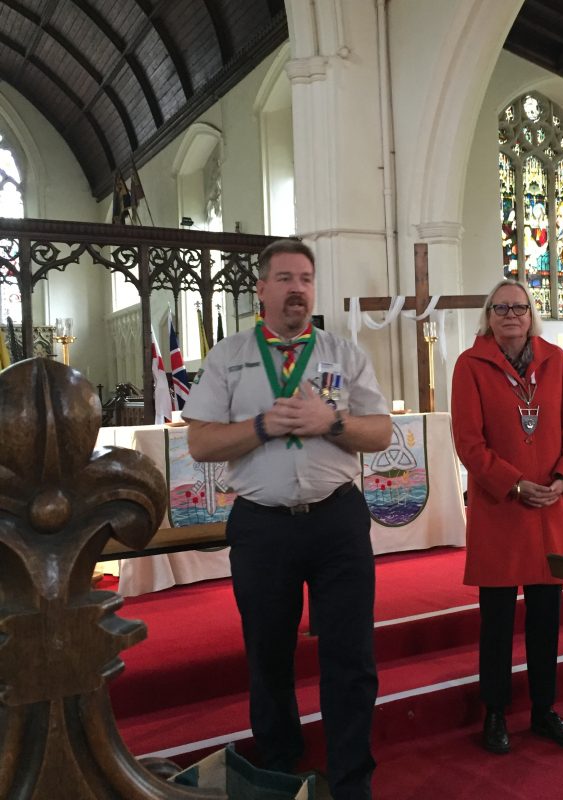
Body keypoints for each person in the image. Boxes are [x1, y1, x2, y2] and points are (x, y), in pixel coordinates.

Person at [183, 239, 391, 800]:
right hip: (263, 526)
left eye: (305, 279)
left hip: (336, 520)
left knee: (351, 656)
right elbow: (200, 442)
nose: (297, 289)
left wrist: (331, 422)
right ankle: (279, 771)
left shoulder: (344, 353)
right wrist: (261, 427)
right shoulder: (229, 355)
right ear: (261, 288)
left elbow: (381, 432)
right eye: (284, 278)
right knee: (269, 657)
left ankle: (351, 781)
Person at [451, 278, 563, 756]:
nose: (511, 315)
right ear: (488, 316)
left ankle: (544, 710)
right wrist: (513, 483)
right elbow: (469, 443)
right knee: (497, 620)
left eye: (520, 307)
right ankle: (495, 711)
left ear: (532, 315)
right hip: (502, 509)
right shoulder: (470, 365)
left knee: (546, 618)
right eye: (501, 308)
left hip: (550, 507)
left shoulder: (557, 361)